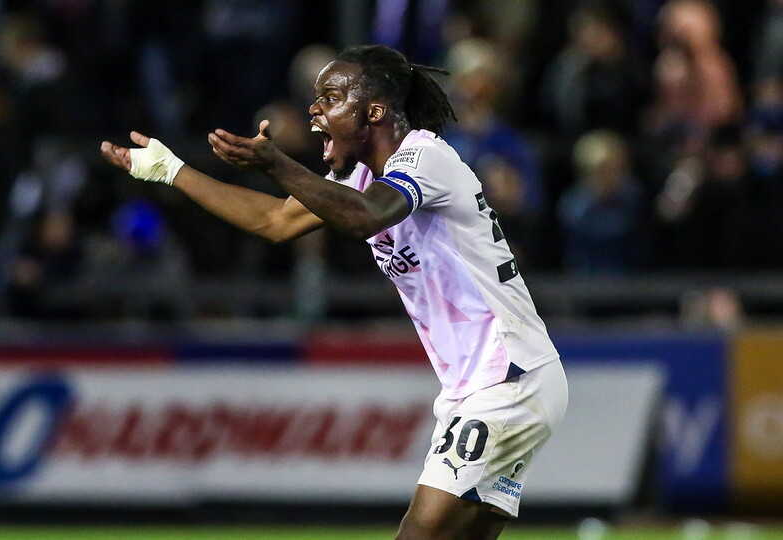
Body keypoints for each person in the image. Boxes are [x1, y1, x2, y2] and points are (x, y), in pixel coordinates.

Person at [101, 44, 567, 540]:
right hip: (486, 383)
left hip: (506, 377)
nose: (314, 109)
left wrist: (277, 164)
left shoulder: (424, 155)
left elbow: (365, 216)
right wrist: (171, 170)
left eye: (330, 96)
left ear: (374, 111)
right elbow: (276, 220)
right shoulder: (365, 176)